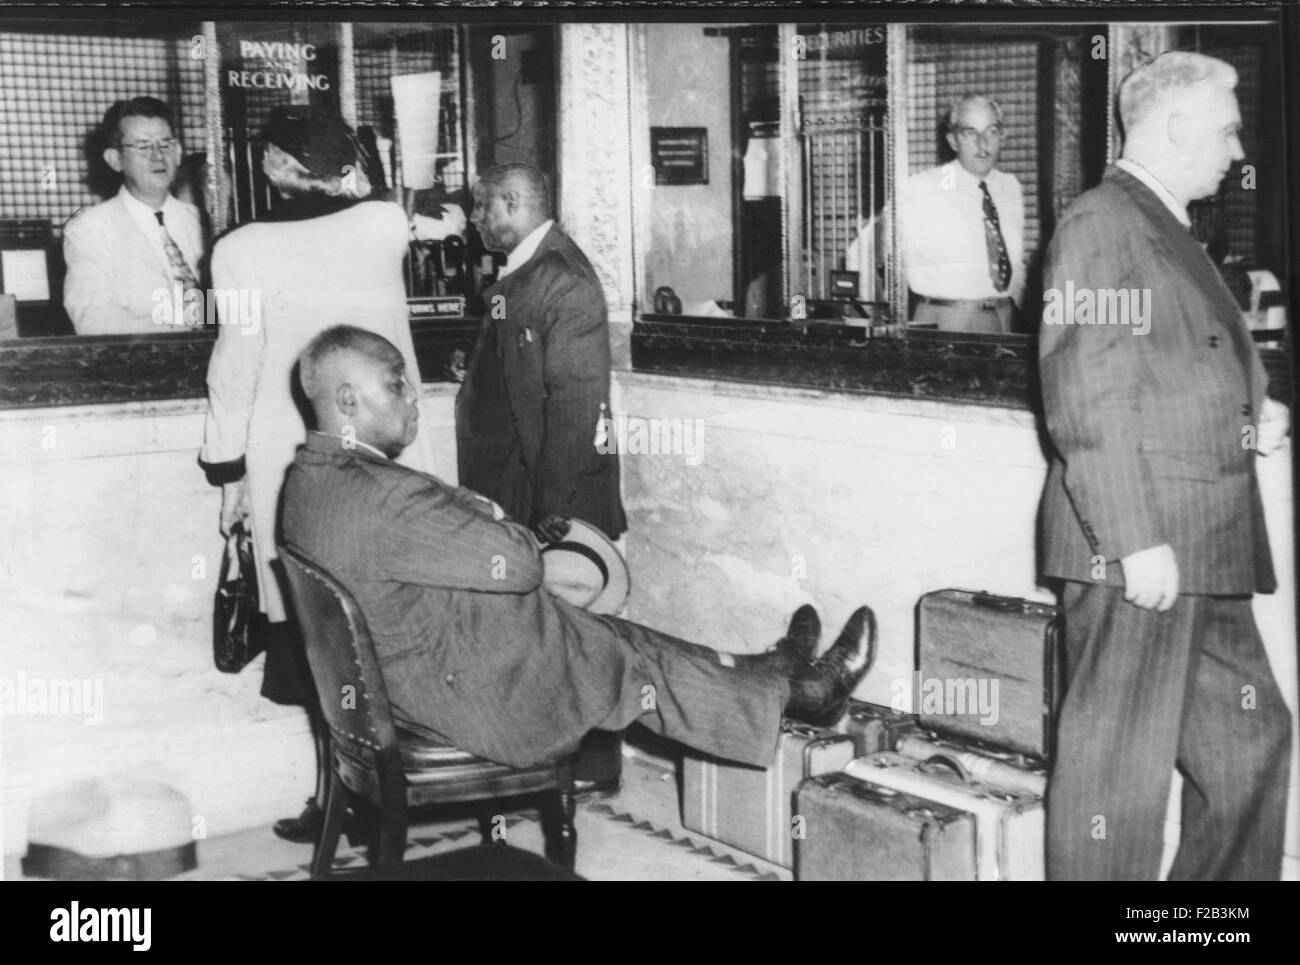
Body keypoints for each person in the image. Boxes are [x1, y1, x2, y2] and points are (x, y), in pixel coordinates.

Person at [282, 325, 875, 771]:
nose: (413, 396)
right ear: (348, 400)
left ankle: (765, 670)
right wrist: (491, 514)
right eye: (395, 383)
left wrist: (477, 518)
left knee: (610, 636)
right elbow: (516, 564)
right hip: (465, 699)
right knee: (620, 656)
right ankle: (806, 696)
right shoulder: (383, 498)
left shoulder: (310, 479)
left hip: (415, 677)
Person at [1037, 51, 1292, 881]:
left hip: (1205, 538)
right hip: (1143, 542)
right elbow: (1086, 392)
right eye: (1226, 128)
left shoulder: (1163, 222)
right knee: (1118, 775)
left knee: (1250, 743)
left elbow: (1172, 365)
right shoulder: (1101, 224)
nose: (1237, 147)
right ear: (1177, 126)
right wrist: (1132, 537)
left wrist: (1252, 415)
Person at [199, 107, 459, 844]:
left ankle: (336, 797)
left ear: (276, 167)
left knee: (322, 640)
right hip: (389, 458)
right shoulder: (382, 226)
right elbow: (392, 201)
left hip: (295, 463)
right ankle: (398, 793)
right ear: (347, 165)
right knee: (388, 629)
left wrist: (228, 476)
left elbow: (234, 369)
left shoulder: (242, 249)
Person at [457, 162, 629, 792]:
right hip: (518, 484)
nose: (475, 221)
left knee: (579, 633)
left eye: (482, 208)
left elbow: (580, 403)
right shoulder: (525, 270)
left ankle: (591, 766)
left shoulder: (561, 278)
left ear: (513, 202)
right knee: (545, 634)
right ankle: (552, 762)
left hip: (557, 495)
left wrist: (557, 504)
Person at [63, 97, 207, 334]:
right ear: (115, 159)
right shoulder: (90, 231)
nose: (158, 156)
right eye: (142, 146)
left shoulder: (202, 223)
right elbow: (95, 323)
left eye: (166, 144)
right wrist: (183, 332)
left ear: (179, 152)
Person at [898, 94, 1025, 333]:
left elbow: (1015, 264)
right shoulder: (922, 188)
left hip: (1003, 318)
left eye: (992, 132)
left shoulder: (1010, 187)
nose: (983, 144)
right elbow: (864, 253)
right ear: (953, 141)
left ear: (1003, 137)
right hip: (947, 319)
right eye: (970, 133)